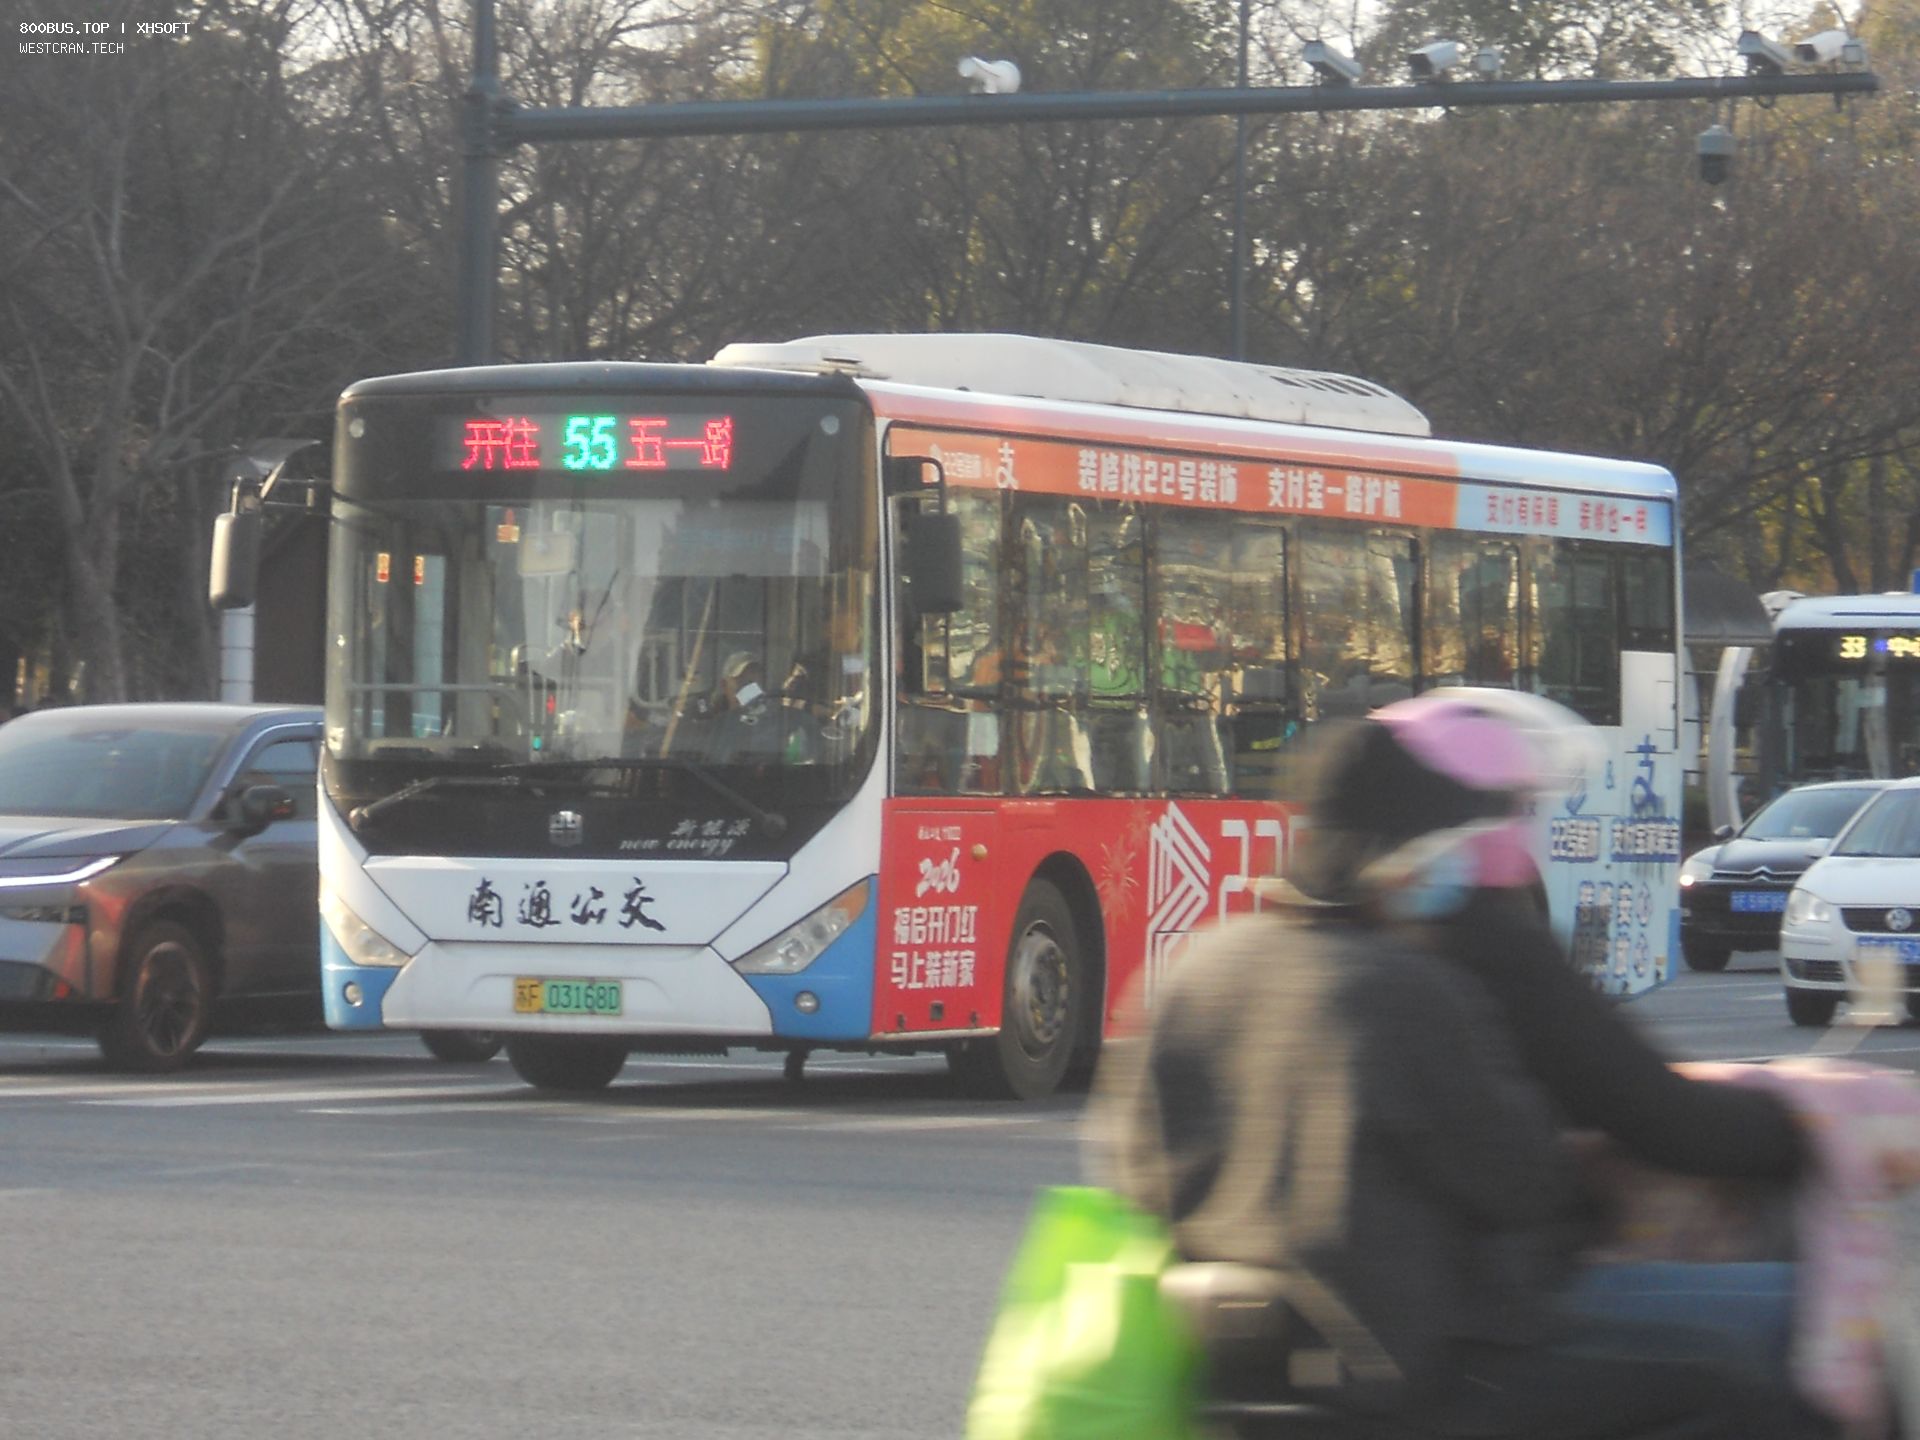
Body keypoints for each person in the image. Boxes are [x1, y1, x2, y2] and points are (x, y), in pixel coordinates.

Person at [1086, 692, 1832, 1440]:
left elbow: (1136, 1170)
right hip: (1425, 1375)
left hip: (1225, 1373)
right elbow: (1523, 1184)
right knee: (1739, 1385)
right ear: (1411, 857)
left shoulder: (1194, 969)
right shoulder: (1405, 988)